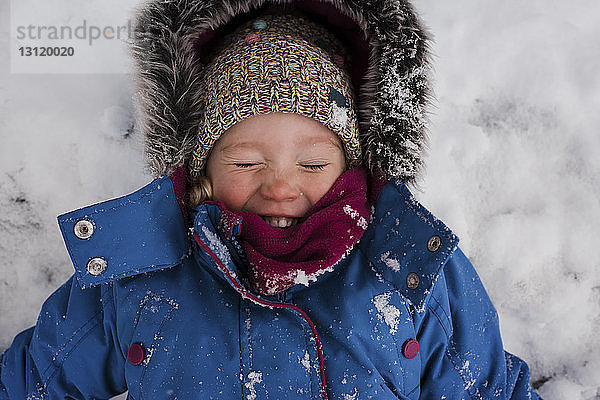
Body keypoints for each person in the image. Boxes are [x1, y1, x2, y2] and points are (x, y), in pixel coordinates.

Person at [0, 1, 543, 399]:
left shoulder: (411, 268)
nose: (280, 187)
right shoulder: (139, 275)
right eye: (246, 163)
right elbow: (37, 381)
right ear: (200, 170)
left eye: (311, 164)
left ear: (352, 166)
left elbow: (486, 389)